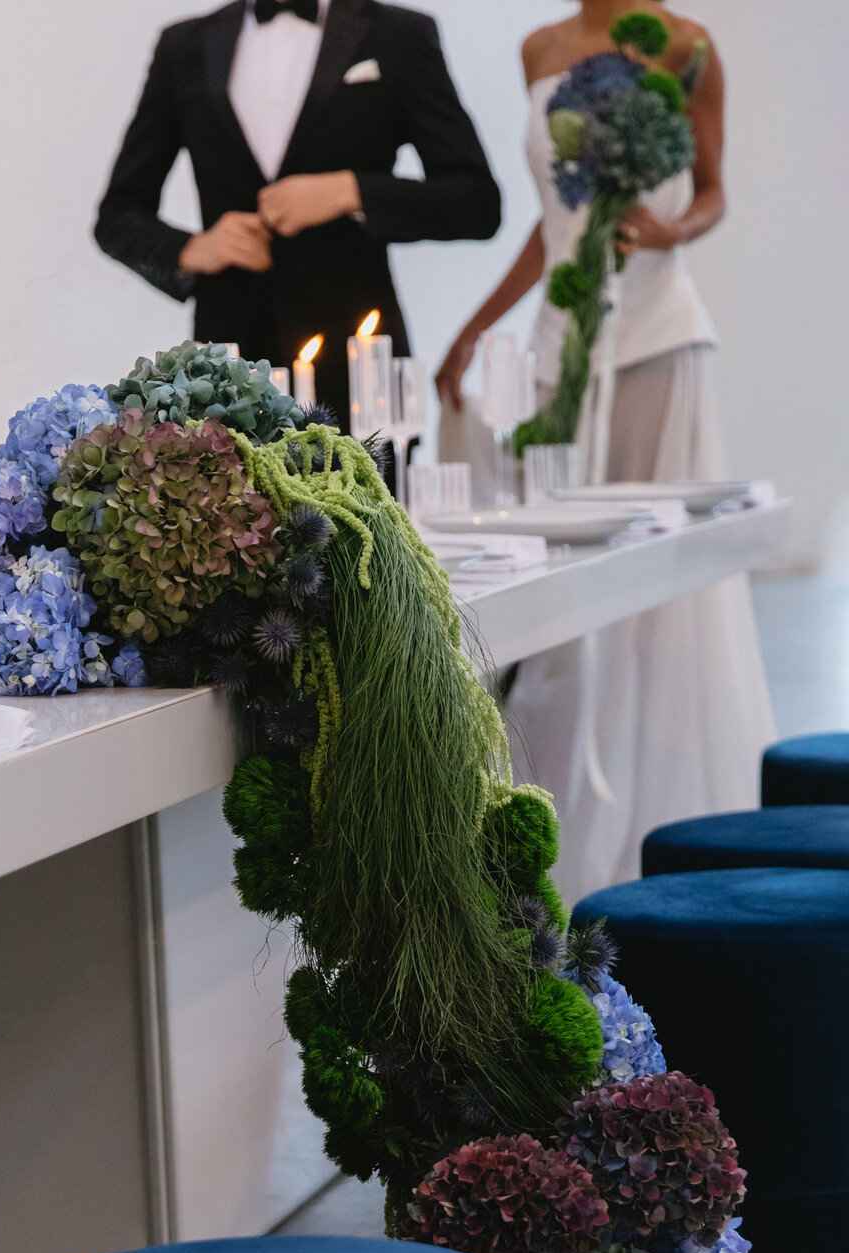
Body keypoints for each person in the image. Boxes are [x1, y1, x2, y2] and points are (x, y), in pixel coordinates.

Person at [436, 1, 775, 905]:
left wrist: (674, 228)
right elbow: (556, 227)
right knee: (568, 578)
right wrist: (475, 326)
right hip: (564, 345)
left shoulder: (690, 43)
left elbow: (714, 192)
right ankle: (563, 816)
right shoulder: (538, 49)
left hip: (659, 334)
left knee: (662, 582)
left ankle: (671, 814)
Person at [96, 0, 501, 434]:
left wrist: (350, 190)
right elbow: (118, 216)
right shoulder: (185, 45)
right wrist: (194, 248)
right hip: (228, 381)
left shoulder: (399, 34)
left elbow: (477, 202)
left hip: (358, 372)